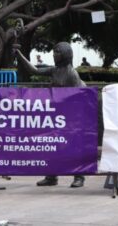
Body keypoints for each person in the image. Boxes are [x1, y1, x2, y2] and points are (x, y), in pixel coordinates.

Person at [16, 42, 86, 188]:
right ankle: (51, 176)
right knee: (52, 145)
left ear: (66, 54)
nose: (54, 54)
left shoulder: (72, 74)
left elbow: (76, 98)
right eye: (54, 52)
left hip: (72, 116)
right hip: (57, 115)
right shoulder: (55, 70)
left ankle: (79, 176)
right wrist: (19, 54)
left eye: (57, 52)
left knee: (73, 146)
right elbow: (34, 70)